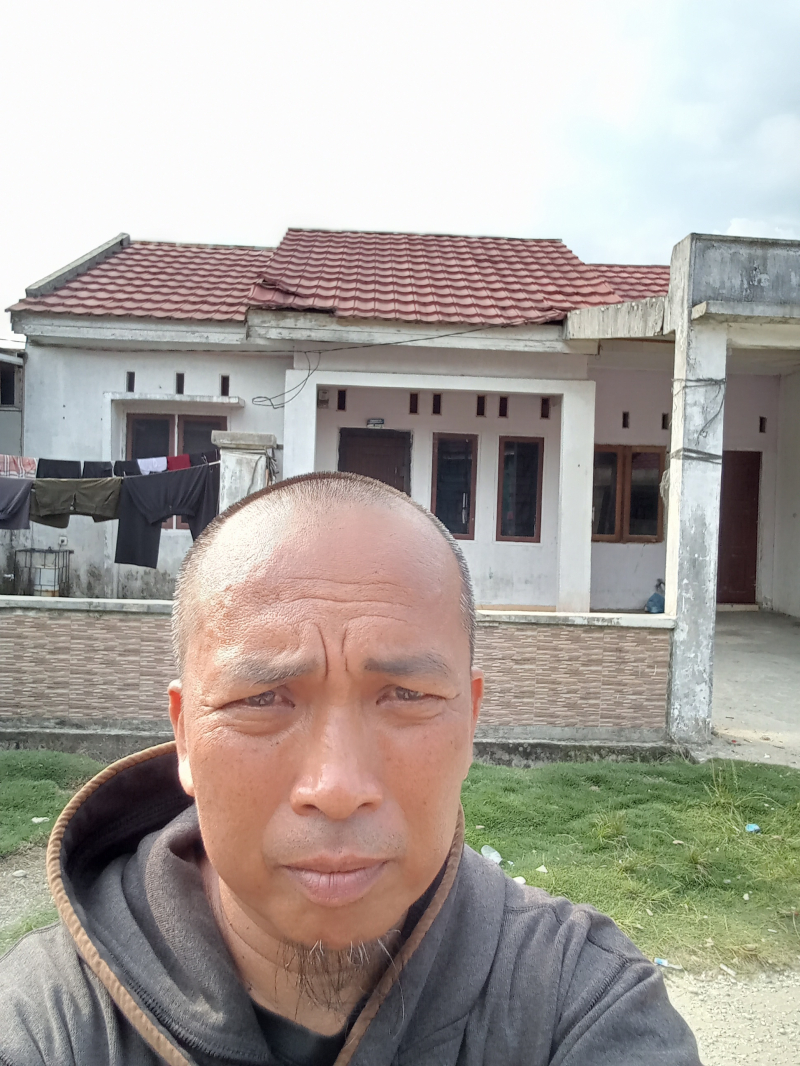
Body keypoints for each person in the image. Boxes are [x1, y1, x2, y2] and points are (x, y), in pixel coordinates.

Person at [0, 472, 701, 1065]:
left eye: (406, 696)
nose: (335, 789)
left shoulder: (580, 1001)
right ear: (184, 735)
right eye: (264, 699)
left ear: (470, 723)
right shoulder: (50, 1020)